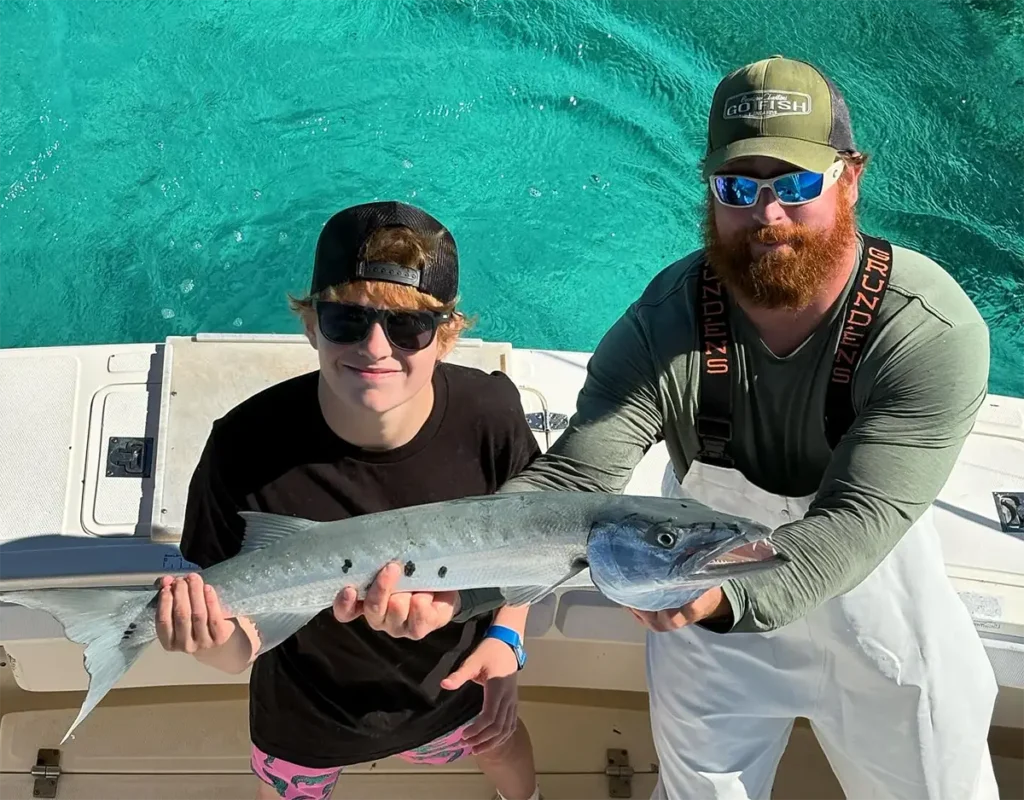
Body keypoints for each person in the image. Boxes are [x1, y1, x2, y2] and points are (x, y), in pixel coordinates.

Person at [499, 55, 1000, 800]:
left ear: (850, 178)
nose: (767, 216)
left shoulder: (927, 330)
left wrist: (726, 594)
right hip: (703, 611)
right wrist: (462, 588)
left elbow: (859, 519)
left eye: (796, 185)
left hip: (873, 604)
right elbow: (575, 480)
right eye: (738, 188)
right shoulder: (663, 321)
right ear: (710, 193)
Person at [155, 201, 543, 800]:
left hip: (453, 693)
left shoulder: (491, 415)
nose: (376, 347)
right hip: (304, 719)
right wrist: (207, 643)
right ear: (311, 324)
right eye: (346, 320)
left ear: (446, 336)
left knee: (504, 747)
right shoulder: (241, 449)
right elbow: (241, 648)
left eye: (409, 326)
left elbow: (529, 550)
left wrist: (505, 641)